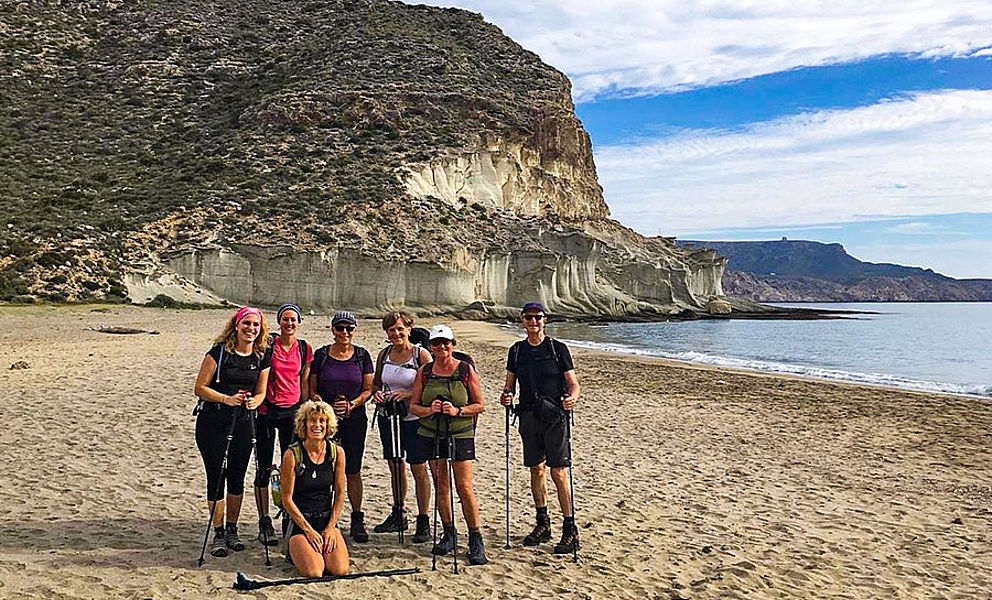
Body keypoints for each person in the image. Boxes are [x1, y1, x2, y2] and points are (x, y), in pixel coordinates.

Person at [500, 302, 581, 554]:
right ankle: (543, 523)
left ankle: (570, 528)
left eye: (537, 318)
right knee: (536, 470)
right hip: (528, 416)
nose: (533, 322)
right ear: (522, 321)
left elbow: (573, 384)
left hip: (555, 417)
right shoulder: (516, 351)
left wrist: (572, 398)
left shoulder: (557, 349)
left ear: (545, 321)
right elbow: (509, 385)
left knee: (558, 472)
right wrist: (506, 395)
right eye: (528, 318)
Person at [193, 306, 271, 558]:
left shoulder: (261, 356)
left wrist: (254, 402)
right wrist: (227, 399)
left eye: (255, 325)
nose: (250, 329)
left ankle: (232, 529)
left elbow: (261, 391)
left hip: (243, 423)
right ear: (236, 325)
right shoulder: (219, 353)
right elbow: (200, 388)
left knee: (237, 477)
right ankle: (217, 531)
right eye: (246, 324)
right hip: (213, 422)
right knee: (216, 477)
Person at [409, 324, 488, 565]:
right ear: (430, 347)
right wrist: (429, 409)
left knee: (464, 487)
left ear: (453, 344)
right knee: (441, 485)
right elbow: (413, 407)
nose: (442, 347)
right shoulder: (424, 371)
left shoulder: (465, 370)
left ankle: (475, 537)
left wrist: (457, 410)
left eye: (446, 342)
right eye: (436, 343)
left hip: (460, 433)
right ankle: (449, 532)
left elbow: (479, 404)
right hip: (431, 433)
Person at [309, 311, 374, 542]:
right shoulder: (321, 355)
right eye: (340, 328)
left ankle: (357, 518)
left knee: (353, 470)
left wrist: (352, 404)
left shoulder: (361, 355)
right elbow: (312, 389)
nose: (344, 333)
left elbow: (369, 389)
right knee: (325, 468)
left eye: (349, 328)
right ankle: (326, 518)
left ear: (355, 330)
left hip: (355, 419)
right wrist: (326, 407)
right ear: (333, 329)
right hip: (325, 421)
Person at [253, 302, 313, 546]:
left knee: (294, 467)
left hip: (293, 414)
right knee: (264, 467)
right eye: (285, 319)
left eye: (293, 319)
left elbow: (305, 382)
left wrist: (306, 411)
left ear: (299, 322)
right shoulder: (268, 345)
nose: (289, 323)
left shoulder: (303, 348)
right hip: (267, 412)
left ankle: (290, 515)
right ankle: (264, 519)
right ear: (279, 322)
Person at [370, 311, 433, 542]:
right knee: (395, 465)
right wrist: (377, 395)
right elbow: (376, 383)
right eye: (391, 329)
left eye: (400, 329)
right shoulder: (384, 354)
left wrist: (408, 394)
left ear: (409, 329)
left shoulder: (421, 355)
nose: (396, 333)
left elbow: (432, 386)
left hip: (414, 419)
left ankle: (424, 519)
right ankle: (399, 512)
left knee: (418, 467)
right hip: (388, 416)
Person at [280, 400, 349, 577]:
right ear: (304, 424)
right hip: (300, 523)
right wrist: (308, 531)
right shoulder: (292, 454)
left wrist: (331, 527)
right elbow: (286, 499)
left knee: (339, 570)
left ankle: (320, 549)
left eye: (322, 421)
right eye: (312, 421)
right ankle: (297, 551)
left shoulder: (337, 453)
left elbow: (340, 493)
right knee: (315, 572)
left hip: (325, 519)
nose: (317, 425)